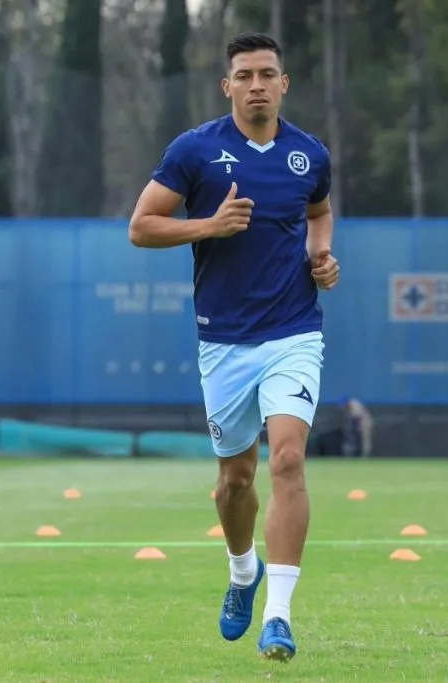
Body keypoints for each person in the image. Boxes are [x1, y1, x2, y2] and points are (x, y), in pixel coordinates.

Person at [127, 32, 339, 662]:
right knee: (234, 479)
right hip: (223, 341)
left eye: (266, 73)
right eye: (243, 74)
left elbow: (320, 212)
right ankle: (242, 570)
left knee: (288, 461)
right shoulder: (194, 150)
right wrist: (209, 226)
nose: (255, 84)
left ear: (283, 83)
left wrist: (320, 254)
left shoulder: (309, 153)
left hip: (294, 332)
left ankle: (279, 617)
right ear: (228, 86)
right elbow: (141, 227)